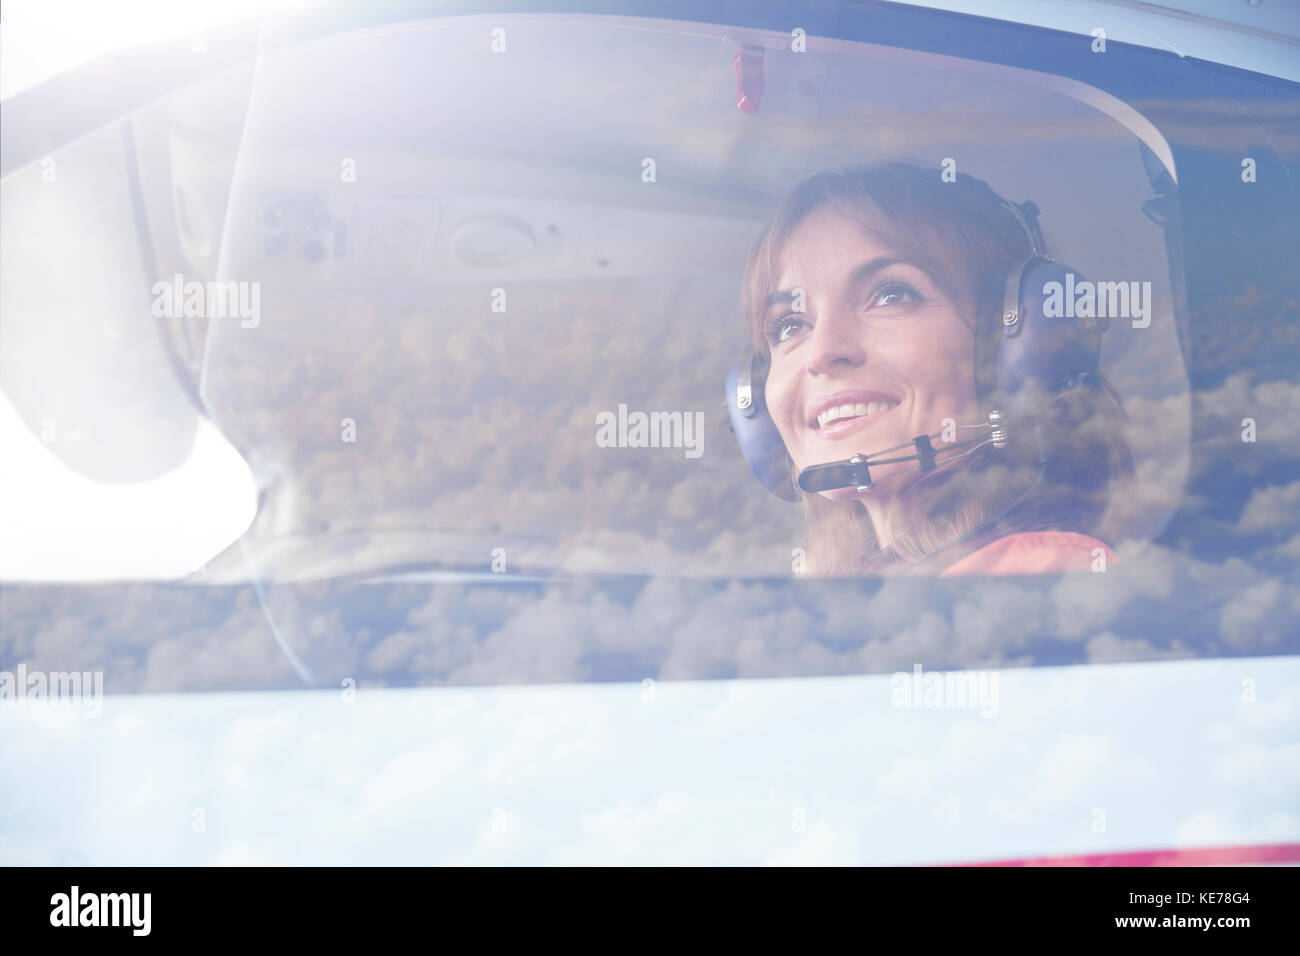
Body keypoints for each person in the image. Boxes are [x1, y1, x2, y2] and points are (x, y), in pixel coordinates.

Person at [741, 162, 1136, 576]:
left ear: (1012, 344)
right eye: (789, 324)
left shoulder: (1040, 573)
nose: (820, 352)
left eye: (891, 295)